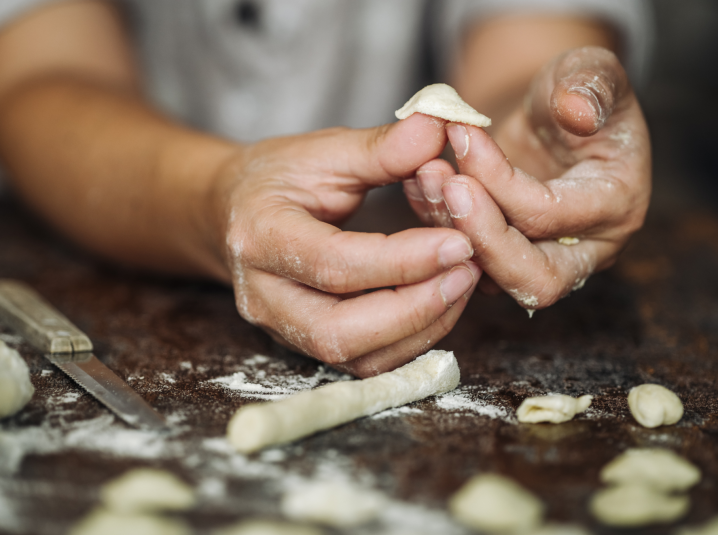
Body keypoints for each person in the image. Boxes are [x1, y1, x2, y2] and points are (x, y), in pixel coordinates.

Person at [0, 1, 652, 377]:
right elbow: (39, 71)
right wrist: (212, 197)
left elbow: (526, 44)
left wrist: (536, 133)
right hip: (94, 257)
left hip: (423, 235)